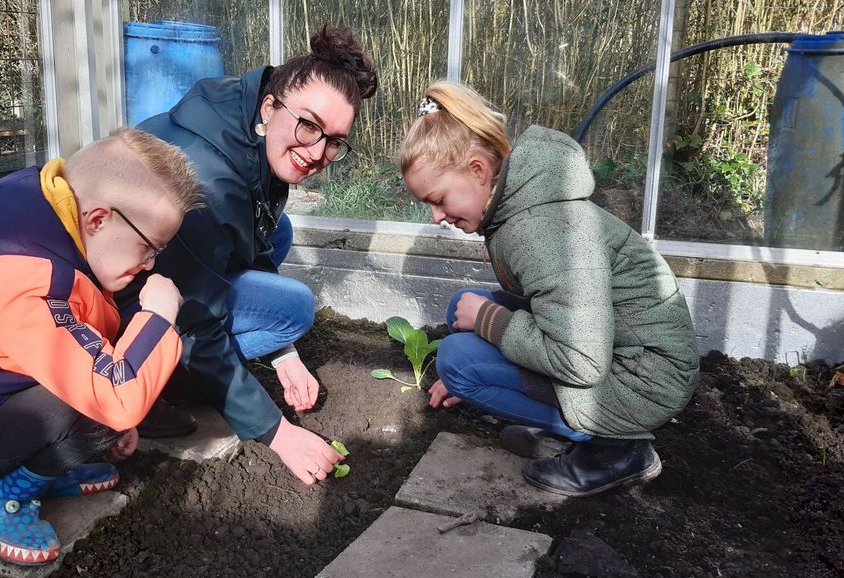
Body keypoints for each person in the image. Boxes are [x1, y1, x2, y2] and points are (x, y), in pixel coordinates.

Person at [0, 128, 202, 565]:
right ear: (98, 219)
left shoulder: (57, 252)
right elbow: (115, 395)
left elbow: (88, 351)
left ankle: (41, 471)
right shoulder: (29, 283)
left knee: (103, 405)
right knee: (98, 408)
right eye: (147, 247)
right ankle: (4, 495)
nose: (148, 265)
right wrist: (159, 316)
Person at [398, 82, 699, 496]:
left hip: (643, 381)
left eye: (439, 199)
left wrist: (488, 325)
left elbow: (580, 360)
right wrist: (487, 326)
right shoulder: (519, 204)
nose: (435, 217)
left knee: (459, 361)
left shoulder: (541, 230)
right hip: (624, 355)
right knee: (460, 311)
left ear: (477, 170)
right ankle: (568, 431)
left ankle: (616, 449)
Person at [116, 26, 377, 486]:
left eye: (334, 140)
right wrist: (278, 433)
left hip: (168, 272)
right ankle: (154, 383)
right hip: (118, 314)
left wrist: (284, 356)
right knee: (293, 308)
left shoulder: (241, 117)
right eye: (310, 125)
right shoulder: (207, 183)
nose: (318, 152)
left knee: (278, 233)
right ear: (270, 106)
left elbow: (251, 234)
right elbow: (196, 323)